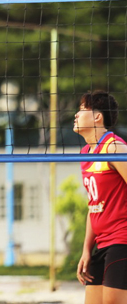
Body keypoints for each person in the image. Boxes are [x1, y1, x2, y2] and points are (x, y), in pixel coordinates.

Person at [74, 90, 127, 304]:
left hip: (122, 240)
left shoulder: (114, 147)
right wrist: (86, 249)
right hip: (101, 243)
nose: (76, 114)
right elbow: (94, 206)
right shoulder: (86, 154)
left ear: (98, 116)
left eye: (82, 109)